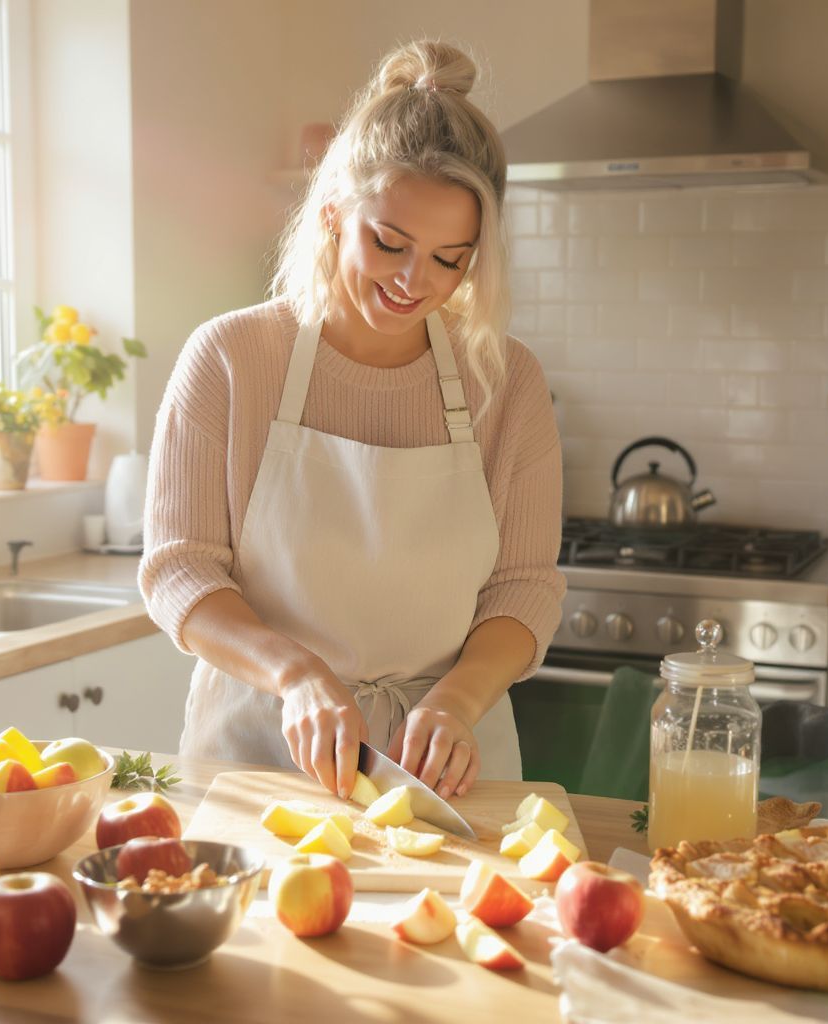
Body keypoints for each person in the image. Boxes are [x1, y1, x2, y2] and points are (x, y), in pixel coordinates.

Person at [139, 40, 565, 802]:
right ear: (334, 211)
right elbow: (181, 571)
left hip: (449, 766)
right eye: (389, 243)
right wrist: (295, 673)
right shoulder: (233, 358)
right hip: (261, 755)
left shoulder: (508, 381)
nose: (414, 281)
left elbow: (524, 588)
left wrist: (457, 701)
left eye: (450, 259)